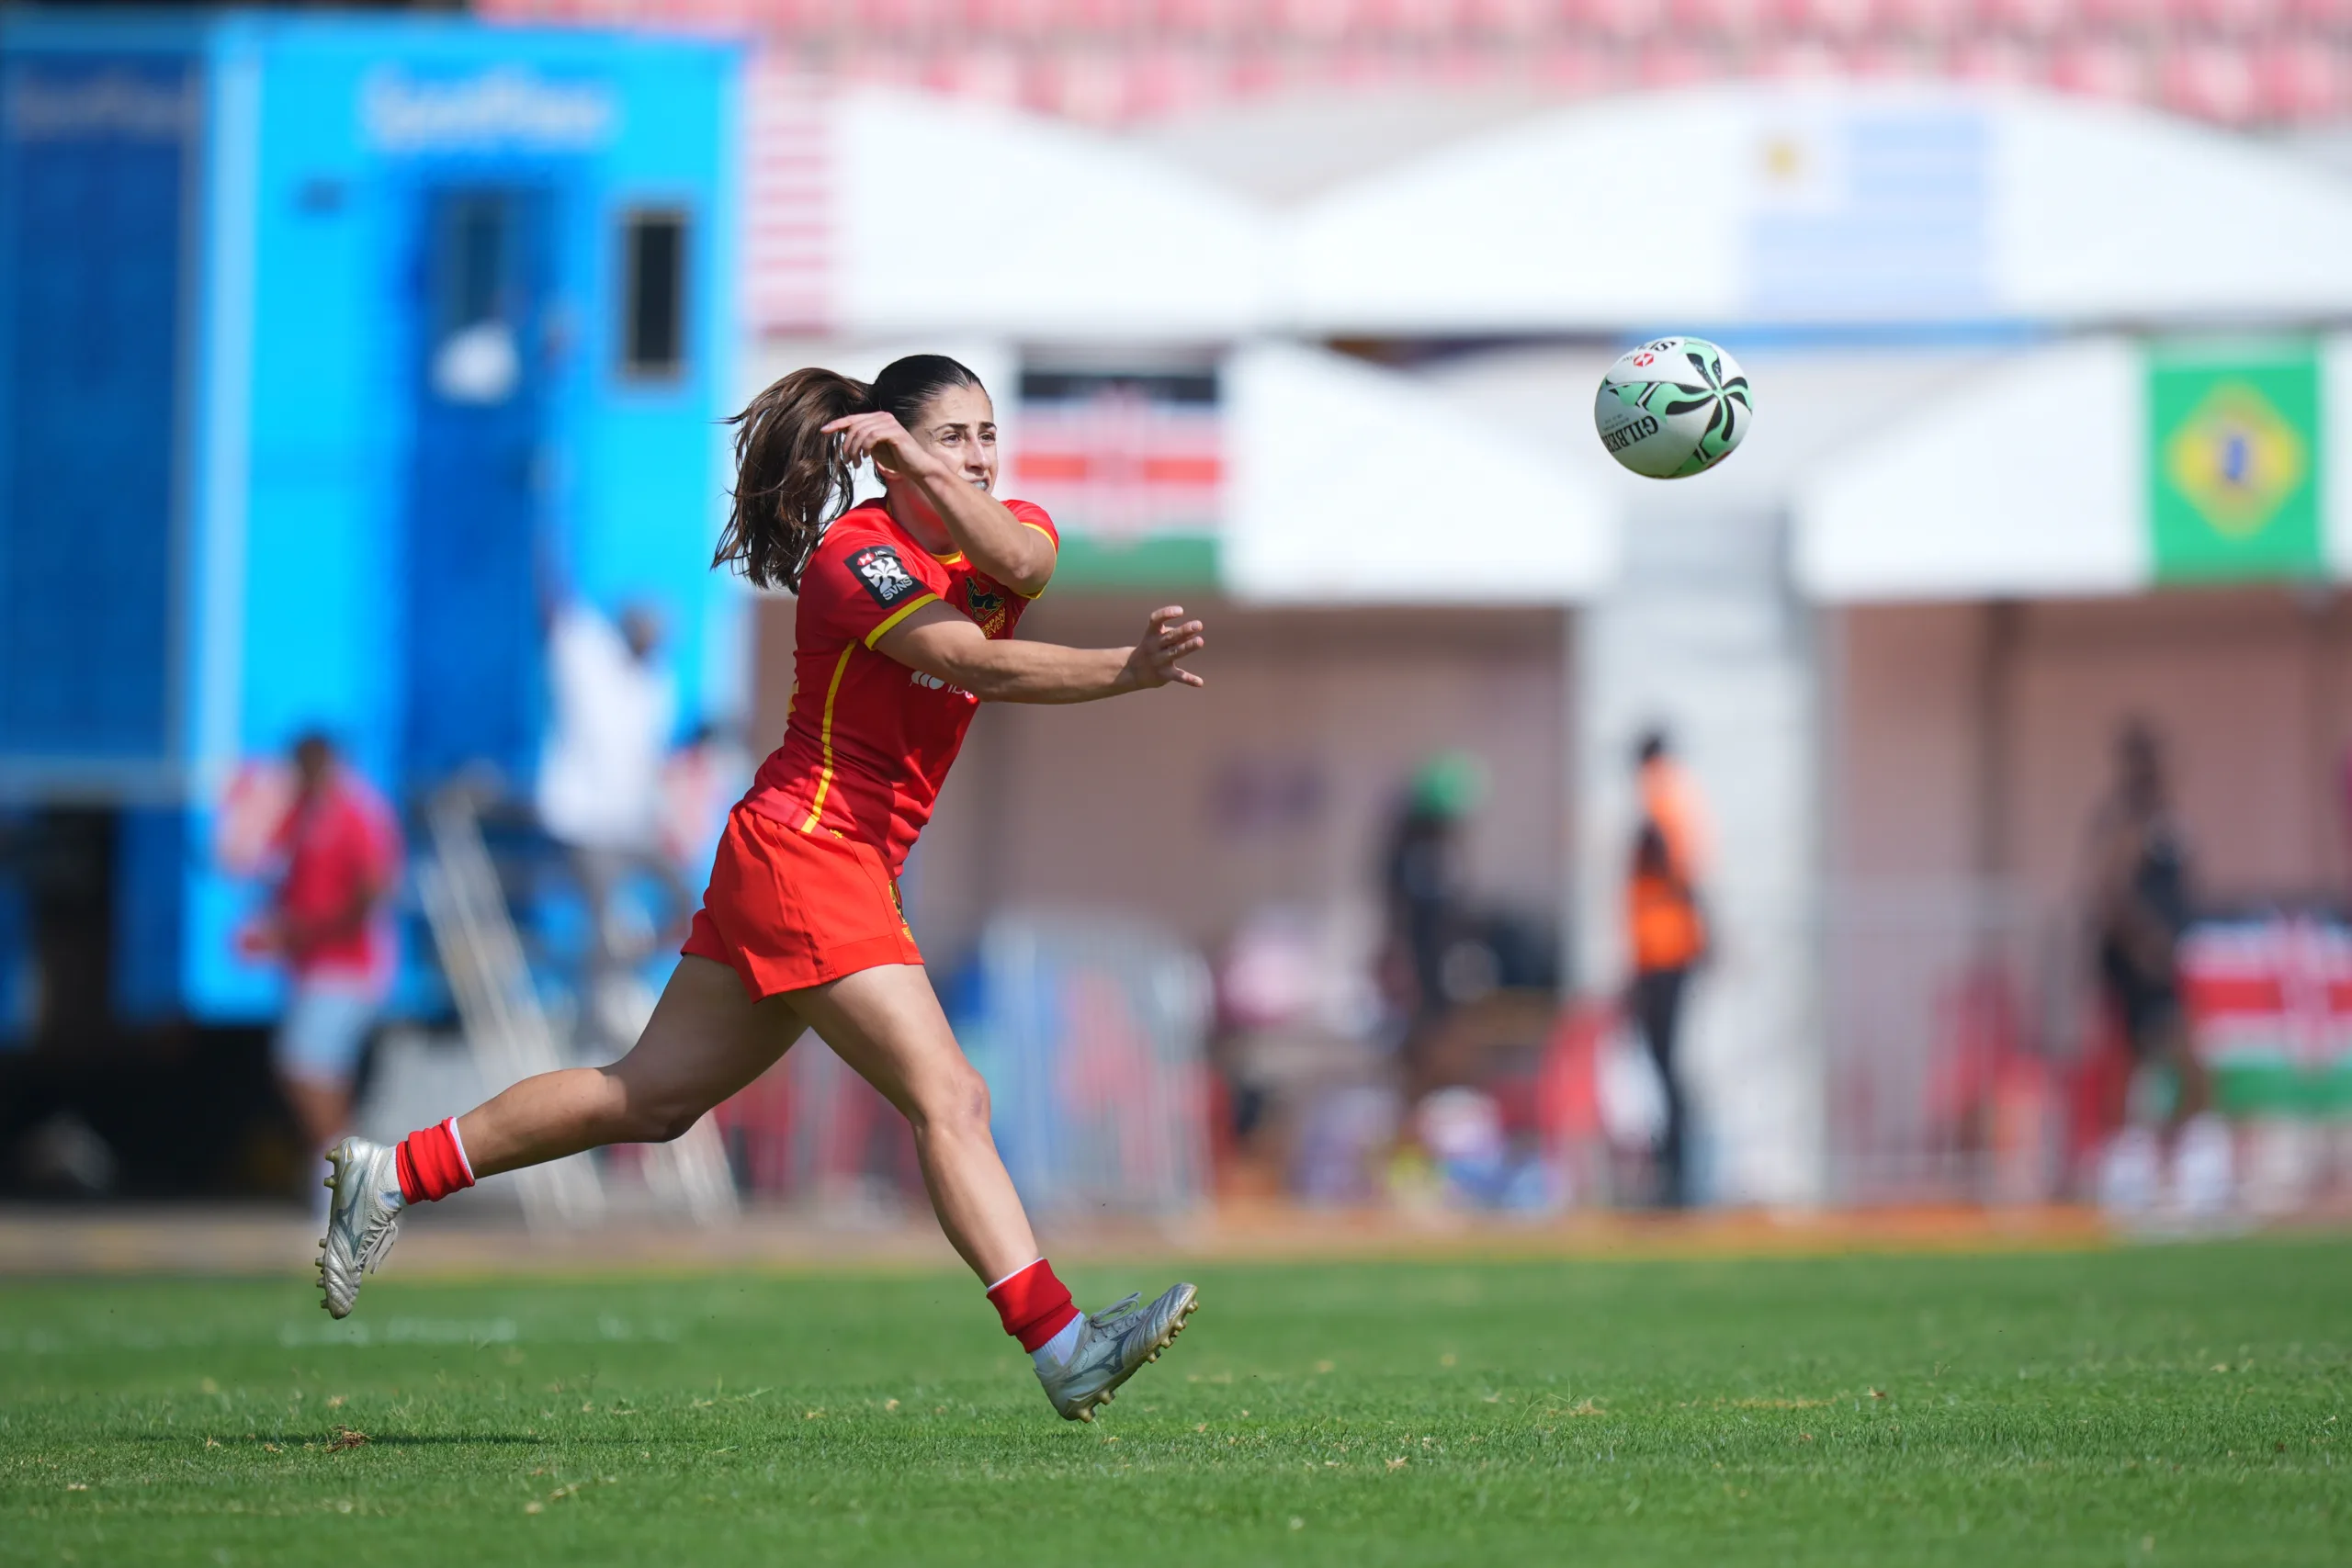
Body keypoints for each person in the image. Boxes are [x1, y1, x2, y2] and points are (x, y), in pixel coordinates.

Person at [312, 355, 1204, 1421]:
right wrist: (1128, 670)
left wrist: (940, 473)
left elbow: (1026, 563)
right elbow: (974, 664)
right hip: (807, 851)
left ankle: (392, 1172)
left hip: (804, 855)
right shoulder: (853, 555)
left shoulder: (1004, 531)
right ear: (889, 447)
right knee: (952, 1098)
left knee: (647, 1098)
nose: (976, 455)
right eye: (949, 435)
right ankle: (1061, 1342)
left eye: (984, 435)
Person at [537, 592, 695, 1050]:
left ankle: (624, 962)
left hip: (631, 825)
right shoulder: (588, 654)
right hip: (583, 822)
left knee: (689, 899)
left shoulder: (658, 685)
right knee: (605, 917)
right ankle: (591, 1017)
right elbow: (552, 605)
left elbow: (648, 762)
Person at [243, 733, 403, 1166]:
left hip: (348, 966)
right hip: (313, 967)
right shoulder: (302, 815)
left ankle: (349, 1169)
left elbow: (373, 888)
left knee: (303, 1067)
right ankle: (344, 1172)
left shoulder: (353, 814)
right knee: (323, 1073)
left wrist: (304, 932)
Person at [2088, 719, 2222, 1204]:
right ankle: (2140, 1167)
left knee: (2158, 1065)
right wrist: (2146, 943)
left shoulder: (2167, 818)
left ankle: (2161, 1164)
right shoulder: (2129, 819)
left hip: (2166, 959)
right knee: (2171, 1063)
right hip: (2141, 965)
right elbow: (2110, 891)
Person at [1624, 727, 1708, 1209]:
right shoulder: (1673, 799)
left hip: (1666, 953)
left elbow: (1679, 876)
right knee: (1662, 1064)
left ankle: (1676, 1176)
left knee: (1665, 1063)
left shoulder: (1660, 798)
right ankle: (1673, 1171)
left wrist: (1703, 934)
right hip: (1661, 951)